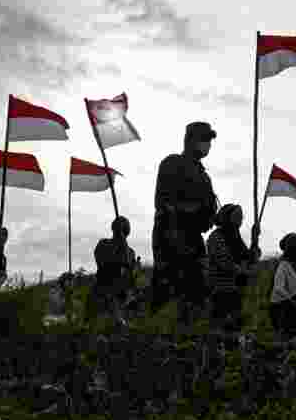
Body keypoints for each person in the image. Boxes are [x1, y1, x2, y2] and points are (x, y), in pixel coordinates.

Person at [151, 121, 221, 333]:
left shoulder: (204, 175)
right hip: (170, 233)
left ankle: (189, 336)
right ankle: (157, 334)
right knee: (168, 287)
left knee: (197, 291)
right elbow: (163, 203)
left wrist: (212, 216)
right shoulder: (172, 163)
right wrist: (192, 210)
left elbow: (209, 214)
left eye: (209, 140)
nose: (208, 144)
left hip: (193, 237)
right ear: (191, 140)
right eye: (204, 139)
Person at [206, 204, 260, 334]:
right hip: (221, 289)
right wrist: (245, 271)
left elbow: (249, 258)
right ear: (227, 217)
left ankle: (232, 349)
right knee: (221, 325)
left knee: (235, 325)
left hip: (237, 289)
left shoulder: (236, 237)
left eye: (241, 217)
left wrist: (254, 239)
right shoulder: (216, 237)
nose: (240, 220)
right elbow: (225, 263)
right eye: (237, 216)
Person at [93, 216, 138, 327]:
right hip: (103, 292)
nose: (118, 234)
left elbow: (130, 274)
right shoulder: (103, 244)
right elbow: (102, 262)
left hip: (122, 295)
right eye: (117, 230)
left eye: (121, 231)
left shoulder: (130, 252)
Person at [269, 232, 296, 342]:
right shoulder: (283, 265)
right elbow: (278, 288)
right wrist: (293, 301)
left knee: (295, 338)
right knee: (288, 338)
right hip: (281, 307)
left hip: (293, 306)